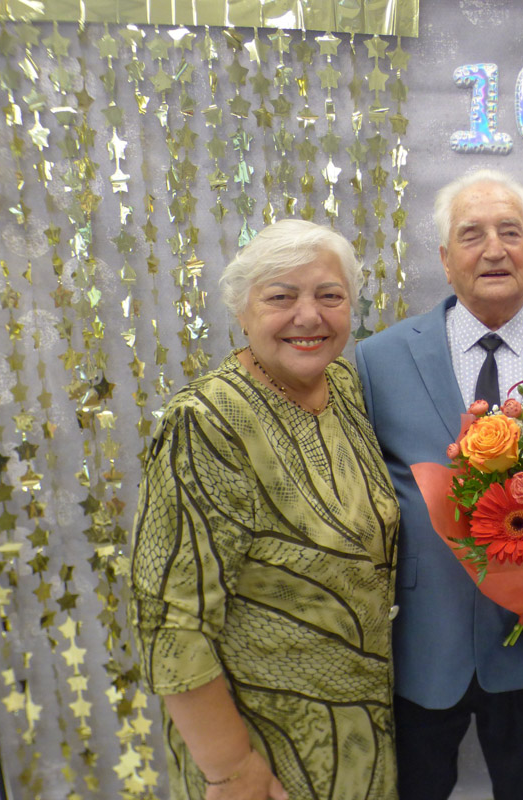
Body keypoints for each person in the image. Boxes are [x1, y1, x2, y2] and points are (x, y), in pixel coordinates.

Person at [130, 219, 400, 800]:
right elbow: (170, 620)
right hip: (264, 750)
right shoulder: (206, 423)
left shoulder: (343, 387)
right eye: (281, 297)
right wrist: (230, 770)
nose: (309, 316)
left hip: (363, 734)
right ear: (241, 309)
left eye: (329, 295)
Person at [355, 169, 523, 800]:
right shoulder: (377, 359)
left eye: (510, 232)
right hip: (421, 645)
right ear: (445, 258)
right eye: (472, 235)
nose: (494, 249)